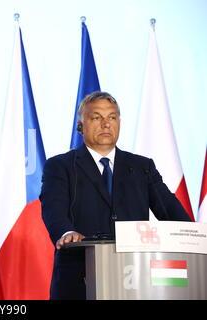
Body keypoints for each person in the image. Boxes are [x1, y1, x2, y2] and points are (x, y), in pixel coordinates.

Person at [40, 91, 191, 300]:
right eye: (96, 117)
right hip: (79, 279)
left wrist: (191, 236)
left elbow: (173, 214)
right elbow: (53, 209)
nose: (106, 124)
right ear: (80, 126)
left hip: (135, 279)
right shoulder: (60, 166)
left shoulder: (141, 167)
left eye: (112, 117)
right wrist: (66, 232)